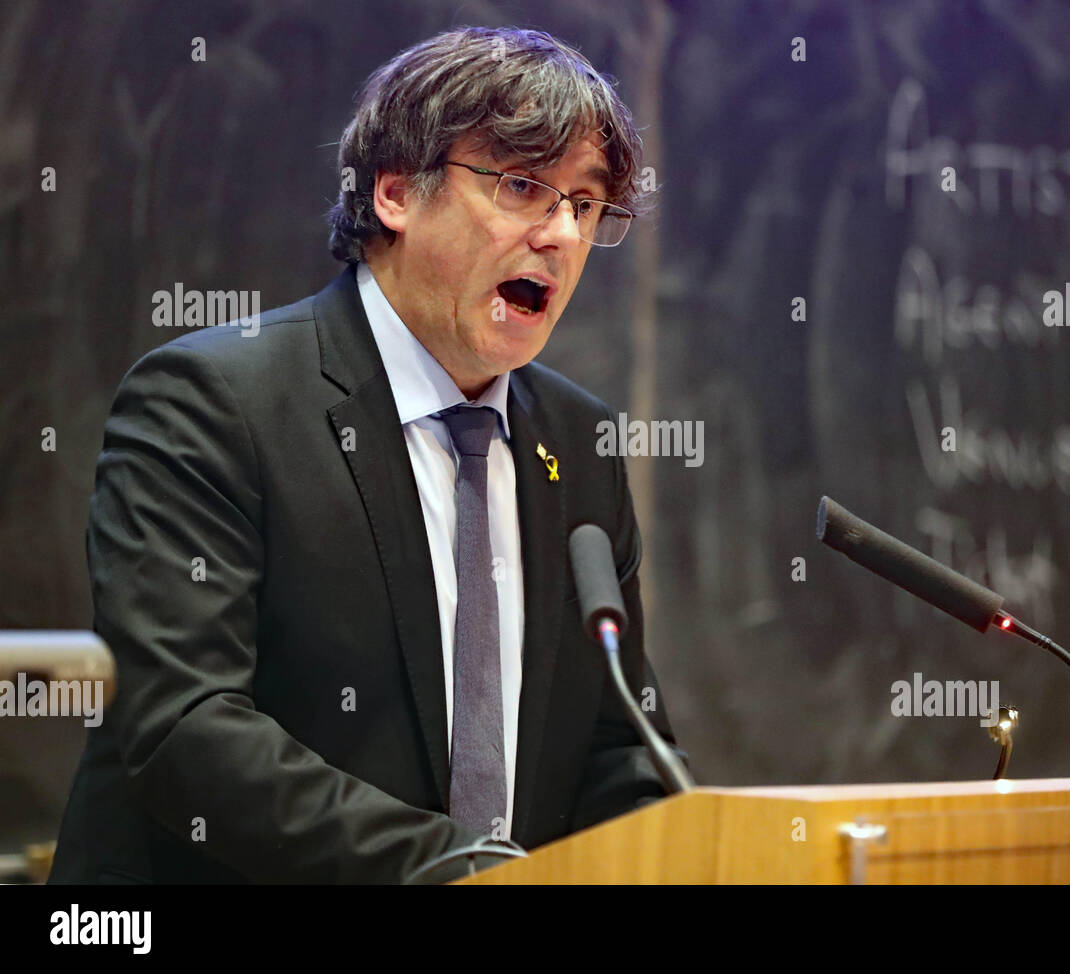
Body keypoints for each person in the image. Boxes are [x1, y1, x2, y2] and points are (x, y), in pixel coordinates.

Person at [50, 25, 682, 884]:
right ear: (395, 192)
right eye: (524, 185)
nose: (562, 234)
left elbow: (619, 746)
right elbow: (183, 725)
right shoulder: (211, 404)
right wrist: (464, 871)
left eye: (583, 203)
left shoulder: (580, 444)